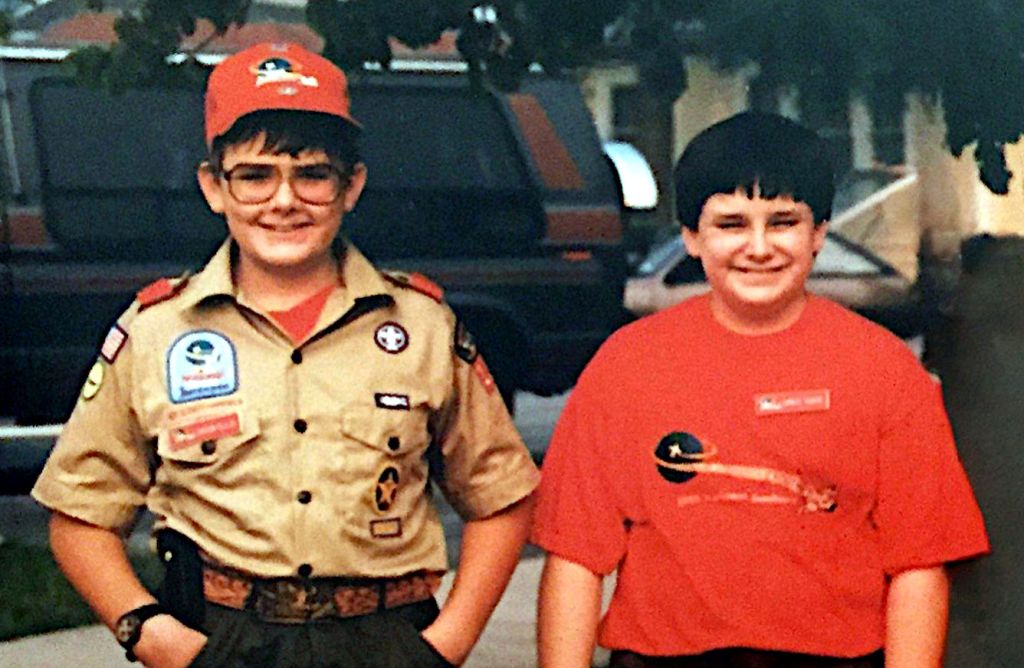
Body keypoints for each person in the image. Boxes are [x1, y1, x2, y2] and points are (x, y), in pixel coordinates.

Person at [32, 42, 539, 668]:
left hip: (384, 638)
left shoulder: (424, 329)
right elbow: (80, 512)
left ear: (351, 185)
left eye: (312, 175)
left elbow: (501, 498)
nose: (283, 201)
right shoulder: (157, 333)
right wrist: (149, 632)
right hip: (221, 637)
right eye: (255, 176)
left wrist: (448, 642)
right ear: (213, 187)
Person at [532, 111, 989, 668]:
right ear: (691, 238)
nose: (758, 247)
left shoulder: (885, 371)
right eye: (730, 224)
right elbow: (575, 561)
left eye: (782, 222)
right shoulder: (625, 367)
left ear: (819, 233)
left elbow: (918, 566)